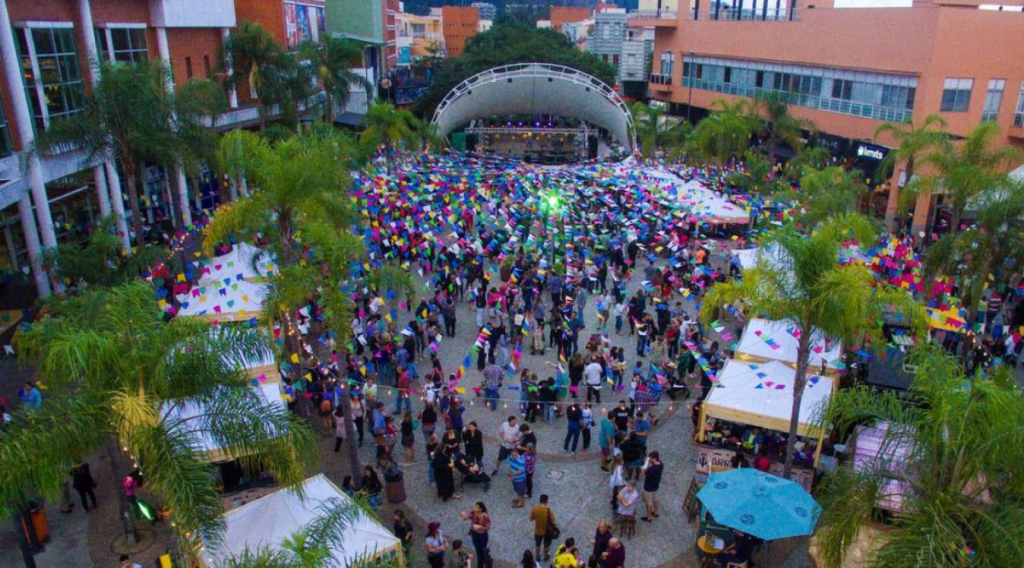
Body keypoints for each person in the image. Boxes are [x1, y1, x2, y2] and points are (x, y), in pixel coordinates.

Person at [460, 501, 491, 568]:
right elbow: (468, 517)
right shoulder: (473, 512)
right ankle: (481, 563)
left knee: (482, 551)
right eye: (474, 506)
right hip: (474, 534)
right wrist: (463, 516)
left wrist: (480, 527)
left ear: (481, 509)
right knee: (478, 550)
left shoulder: (485, 516)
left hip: (482, 536)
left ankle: (481, 565)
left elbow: (488, 527)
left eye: (476, 507)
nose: (474, 508)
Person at [529, 494, 557, 561]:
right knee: (546, 545)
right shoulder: (549, 510)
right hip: (547, 531)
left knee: (538, 544)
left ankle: (538, 556)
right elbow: (553, 521)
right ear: (546, 501)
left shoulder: (535, 509)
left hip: (538, 530)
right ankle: (546, 556)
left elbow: (531, 518)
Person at [640, 451, 663, 522]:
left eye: (650, 458)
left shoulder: (651, 469)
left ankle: (649, 517)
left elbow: (643, 472)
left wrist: (645, 465)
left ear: (654, 458)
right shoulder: (661, 464)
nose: (649, 459)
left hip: (648, 488)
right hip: (655, 486)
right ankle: (656, 512)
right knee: (655, 499)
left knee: (648, 503)